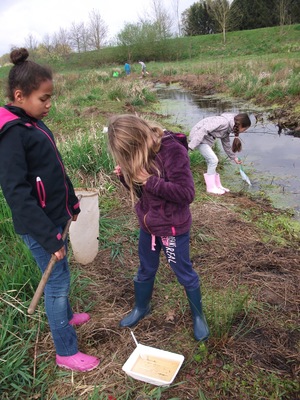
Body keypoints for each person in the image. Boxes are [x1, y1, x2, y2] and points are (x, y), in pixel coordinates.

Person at [0, 48, 100, 372]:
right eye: (44, 98)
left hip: (55, 218)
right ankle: (66, 351)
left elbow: (54, 169)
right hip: (39, 227)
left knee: (62, 274)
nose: (49, 104)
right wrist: (49, 237)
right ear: (20, 95)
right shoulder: (12, 135)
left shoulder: (33, 124)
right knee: (56, 285)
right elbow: (17, 195)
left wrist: (70, 201)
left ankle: (67, 317)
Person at [107, 114, 209, 342]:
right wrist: (126, 178)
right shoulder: (140, 152)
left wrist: (150, 180)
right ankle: (141, 307)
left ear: (140, 138)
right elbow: (143, 193)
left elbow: (187, 193)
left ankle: (198, 316)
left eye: (130, 152)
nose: (130, 157)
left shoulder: (173, 150)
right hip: (148, 226)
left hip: (173, 229)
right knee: (145, 269)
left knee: (184, 272)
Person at [188, 113, 251, 194]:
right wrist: (191, 145)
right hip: (198, 137)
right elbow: (203, 130)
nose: (244, 131)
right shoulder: (223, 122)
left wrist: (234, 157)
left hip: (205, 139)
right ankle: (211, 188)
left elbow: (226, 144)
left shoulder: (228, 129)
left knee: (211, 161)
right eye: (244, 129)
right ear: (241, 126)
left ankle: (217, 185)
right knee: (213, 160)